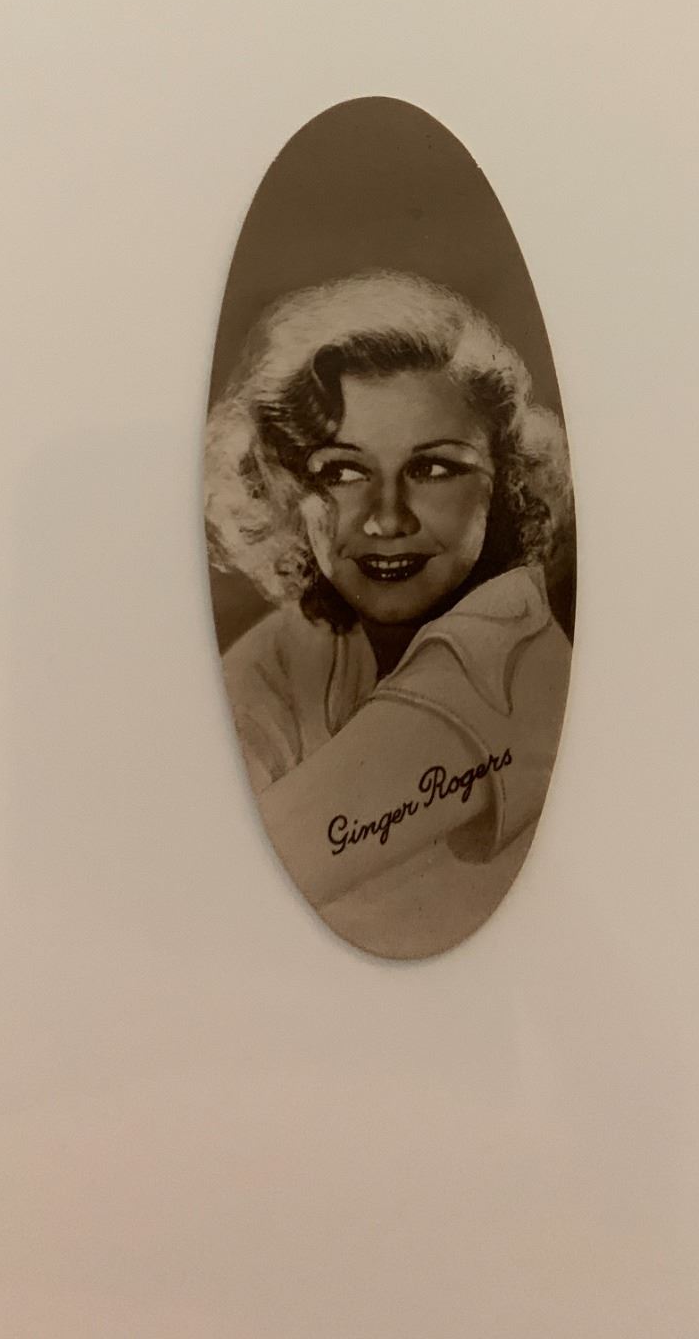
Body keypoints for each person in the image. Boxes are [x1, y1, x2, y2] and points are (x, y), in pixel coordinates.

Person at [204, 270, 573, 957]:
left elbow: (217, 879)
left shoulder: (507, 657)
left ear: (505, 480)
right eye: (342, 472)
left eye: (433, 469)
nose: (387, 519)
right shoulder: (322, 636)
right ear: (284, 488)